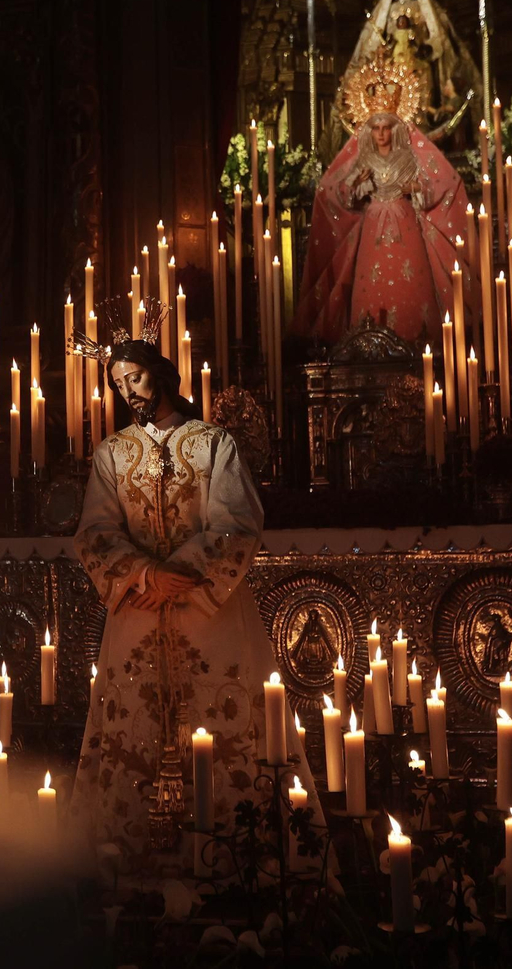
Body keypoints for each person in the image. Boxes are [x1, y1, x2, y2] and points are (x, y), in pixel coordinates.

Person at [68, 330, 319, 868]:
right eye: (117, 383)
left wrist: (180, 572)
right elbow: (93, 532)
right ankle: (130, 861)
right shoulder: (111, 455)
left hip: (211, 614)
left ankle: (238, 859)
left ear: (158, 373)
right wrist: (143, 576)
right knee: (132, 735)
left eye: (133, 377)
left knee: (227, 726)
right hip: (137, 614)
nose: (128, 391)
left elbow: (238, 521)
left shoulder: (212, 444)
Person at [295, 55, 469, 344]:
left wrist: (412, 188)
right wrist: (357, 186)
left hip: (406, 227)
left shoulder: (408, 155)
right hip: (373, 227)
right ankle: (368, 347)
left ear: (395, 128)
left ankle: (417, 345)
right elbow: (341, 194)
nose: (381, 134)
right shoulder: (363, 159)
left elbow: (433, 186)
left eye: (386, 128)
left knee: (410, 286)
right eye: (375, 129)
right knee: (370, 287)